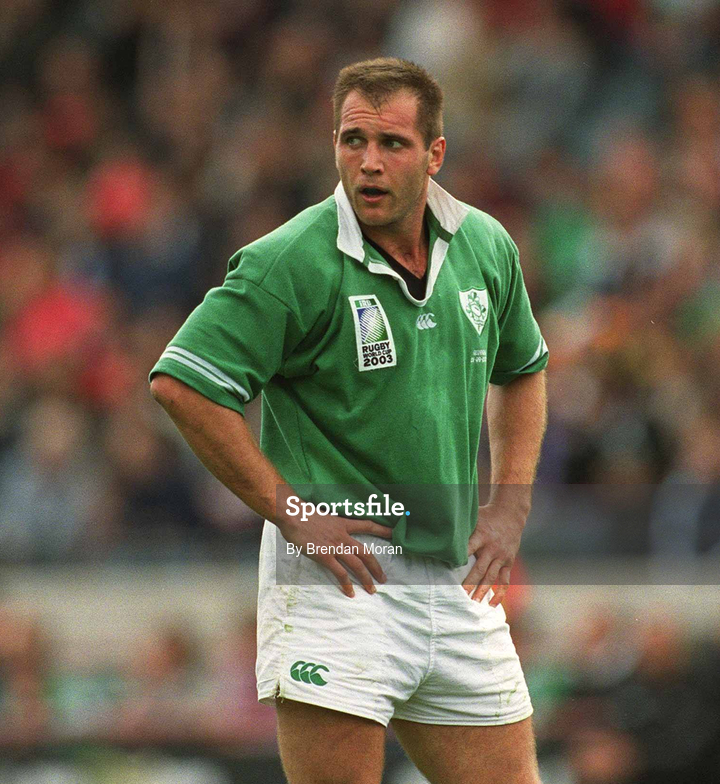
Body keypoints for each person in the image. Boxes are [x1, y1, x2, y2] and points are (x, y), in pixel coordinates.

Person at [150, 57, 548, 784]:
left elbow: (522, 369)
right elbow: (182, 384)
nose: (368, 162)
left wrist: (511, 503)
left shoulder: (486, 245)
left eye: (392, 143)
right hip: (338, 581)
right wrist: (291, 511)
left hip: (456, 578)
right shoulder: (289, 259)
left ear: (434, 153)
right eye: (352, 140)